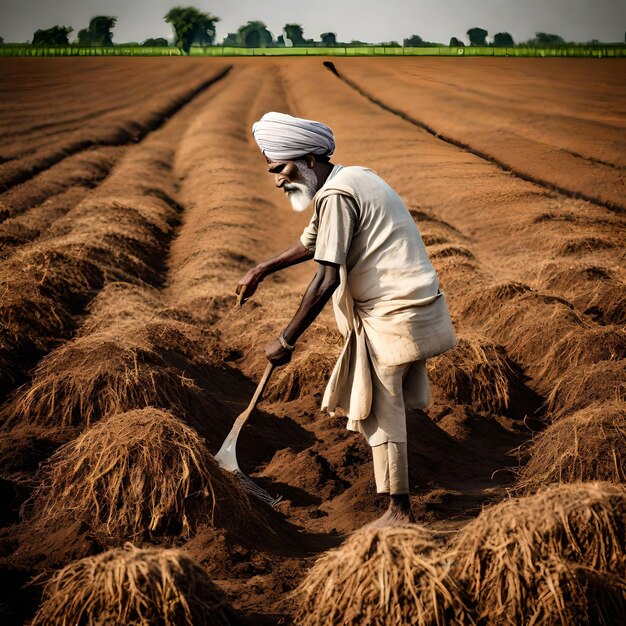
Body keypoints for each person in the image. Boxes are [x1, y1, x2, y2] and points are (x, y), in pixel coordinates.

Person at [236, 112, 456, 526]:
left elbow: (325, 278)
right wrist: (261, 269)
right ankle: (398, 502)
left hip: (394, 312)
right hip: (408, 305)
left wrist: (285, 341)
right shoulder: (351, 178)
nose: (278, 179)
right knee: (381, 404)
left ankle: (399, 512)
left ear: (311, 160)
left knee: (381, 407)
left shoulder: (336, 195)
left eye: (281, 168)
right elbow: (313, 241)